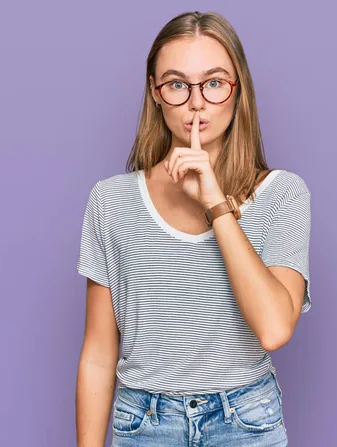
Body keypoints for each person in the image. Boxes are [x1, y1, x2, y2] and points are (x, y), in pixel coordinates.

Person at [75, 10, 311, 447]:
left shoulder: (283, 194)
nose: (197, 102)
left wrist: (216, 205)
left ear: (238, 91)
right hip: (143, 424)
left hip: (244, 422)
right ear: (155, 93)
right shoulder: (110, 201)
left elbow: (275, 328)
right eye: (178, 84)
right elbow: (98, 353)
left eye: (215, 83)